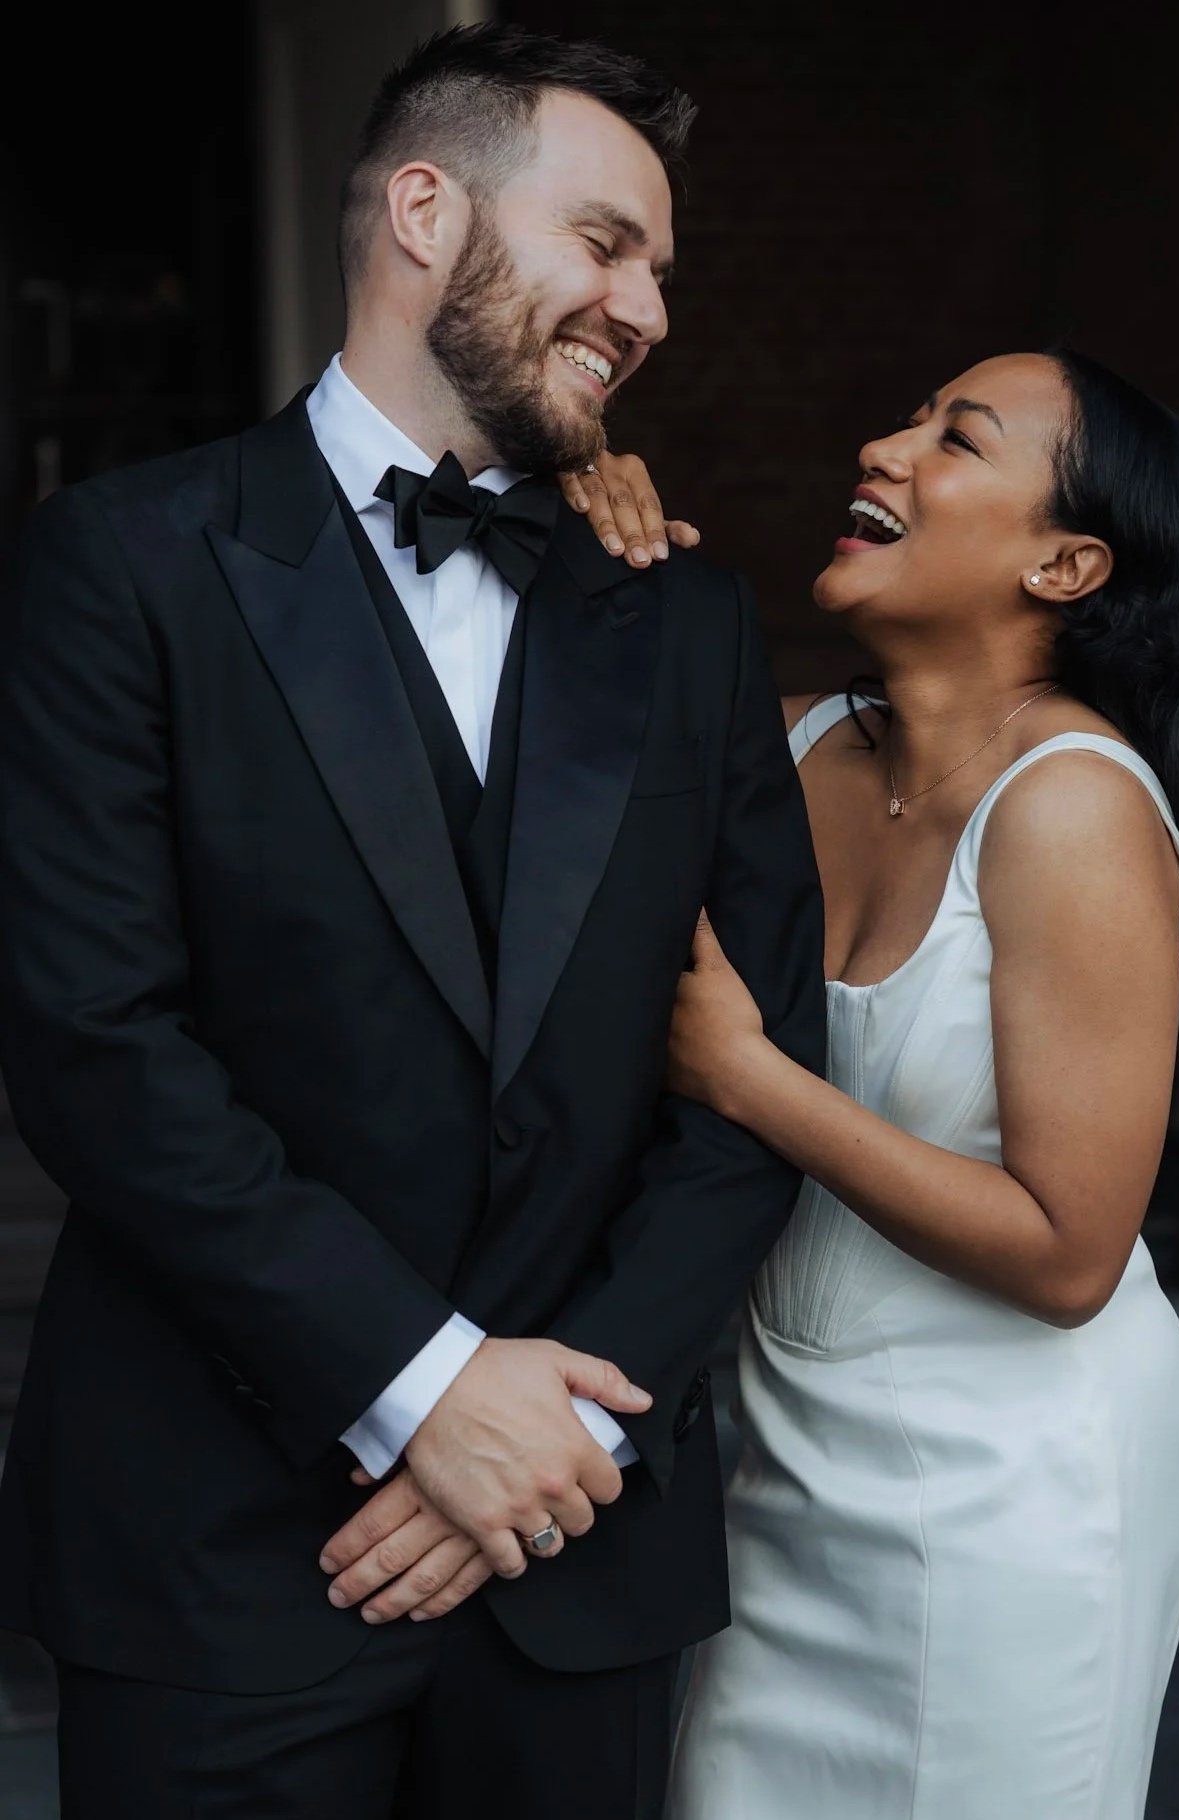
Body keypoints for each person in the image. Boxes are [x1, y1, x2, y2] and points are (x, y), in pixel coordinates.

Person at [0, 24, 825, 1820]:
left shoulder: (686, 620)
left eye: (662, 273)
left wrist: (560, 1439)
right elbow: (93, 1042)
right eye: (606, 242)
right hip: (216, 1544)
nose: (646, 307)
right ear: (427, 212)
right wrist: (423, 1387)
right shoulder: (122, 564)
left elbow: (758, 1079)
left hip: (576, 1556)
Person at [639, 349, 1179, 1818]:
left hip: (1022, 1479)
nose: (881, 448)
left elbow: (1070, 1254)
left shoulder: (1071, 805)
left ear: (1065, 562)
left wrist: (753, 1082)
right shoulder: (797, 748)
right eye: (901, 415)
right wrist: (586, 541)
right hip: (788, 1448)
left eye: (951, 438)